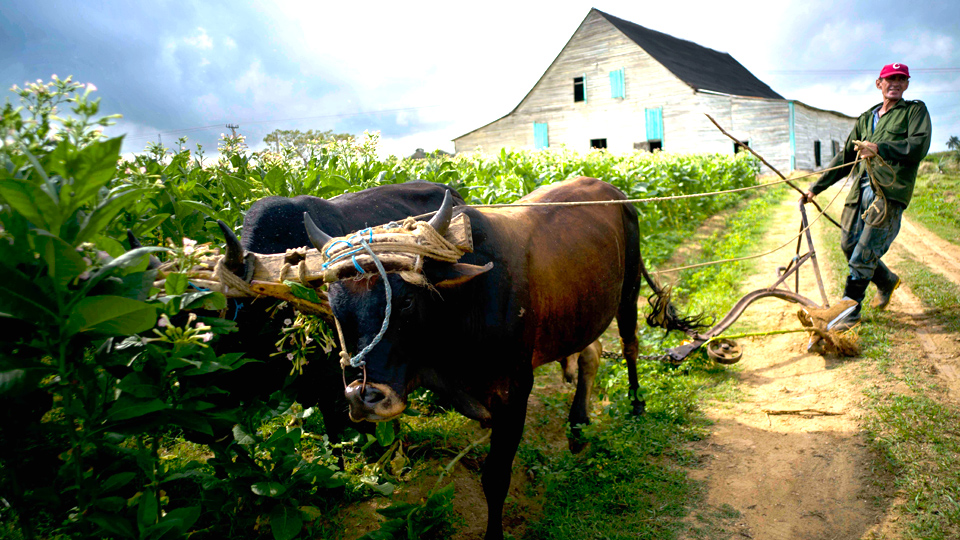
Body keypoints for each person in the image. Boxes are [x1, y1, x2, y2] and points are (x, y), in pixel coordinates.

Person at [802, 63, 932, 331]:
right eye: (889, 79)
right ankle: (886, 281)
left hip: (887, 192)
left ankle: (848, 314)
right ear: (878, 84)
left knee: (863, 254)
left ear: (906, 84)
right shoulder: (865, 118)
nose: (894, 83)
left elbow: (918, 146)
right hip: (859, 188)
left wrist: (880, 147)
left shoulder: (914, 111)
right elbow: (845, 157)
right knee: (849, 244)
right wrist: (817, 187)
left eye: (900, 79)